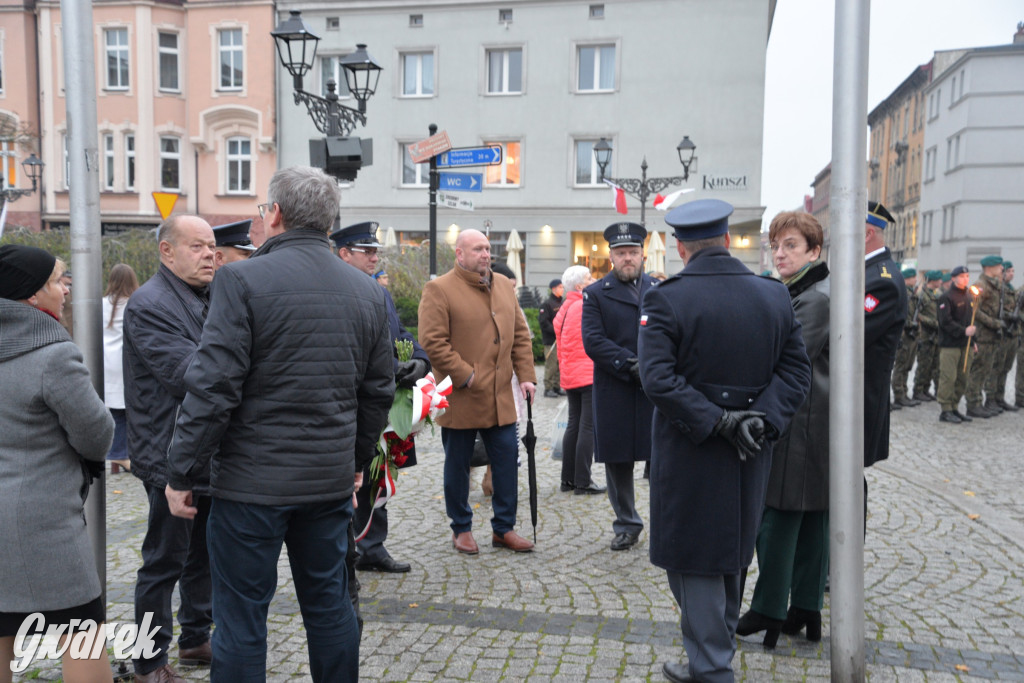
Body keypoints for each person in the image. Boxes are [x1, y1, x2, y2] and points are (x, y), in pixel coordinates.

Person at [165, 166, 394, 681]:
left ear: (276, 214)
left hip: (251, 488)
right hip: (325, 483)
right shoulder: (366, 291)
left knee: (242, 616)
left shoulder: (241, 279)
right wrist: (355, 461)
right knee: (330, 607)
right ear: (330, 221)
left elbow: (214, 385)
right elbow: (378, 391)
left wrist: (180, 472)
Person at [639, 199, 811, 683]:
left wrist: (719, 421)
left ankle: (713, 668)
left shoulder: (665, 297)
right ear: (729, 240)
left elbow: (657, 380)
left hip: (691, 448)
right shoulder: (773, 295)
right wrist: (760, 419)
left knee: (693, 560)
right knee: (733, 550)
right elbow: (796, 369)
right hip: (752, 449)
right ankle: (708, 657)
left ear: (680, 247)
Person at [0, 245, 115, 683]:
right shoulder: (53, 354)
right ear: (32, 295)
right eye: (57, 280)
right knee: (81, 629)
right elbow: (97, 435)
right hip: (41, 522)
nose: (65, 288)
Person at [123, 214, 217, 681]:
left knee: (204, 554)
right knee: (163, 562)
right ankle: (147, 662)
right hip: (168, 454)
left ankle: (196, 637)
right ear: (167, 251)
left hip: (207, 451)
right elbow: (189, 375)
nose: (210, 256)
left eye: (212, 247)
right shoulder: (150, 303)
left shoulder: (207, 295)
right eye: (198, 247)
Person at [737, 211, 830, 648]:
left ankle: (769, 608)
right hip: (808, 420)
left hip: (799, 422)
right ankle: (805, 607)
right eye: (776, 245)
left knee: (776, 516)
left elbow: (786, 358)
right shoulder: (804, 290)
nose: (780, 253)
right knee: (809, 516)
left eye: (791, 245)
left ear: (814, 250)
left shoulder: (813, 297)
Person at [418, 229, 537, 555]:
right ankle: (462, 528)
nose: (485, 254)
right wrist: (465, 375)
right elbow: (432, 342)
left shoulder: (502, 284)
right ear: (459, 254)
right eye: (477, 249)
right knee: (457, 464)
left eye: (487, 248)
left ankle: (504, 528)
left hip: (500, 397)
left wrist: (526, 376)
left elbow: (520, 335)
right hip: (462, 396)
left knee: (506, 461)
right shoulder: (439, 289)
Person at [330, 221, 430, 574]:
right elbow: (351, 347)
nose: (375, 257)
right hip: (354, 401)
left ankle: (372, 546)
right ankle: (347, 549)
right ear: (344, 254)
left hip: (383, 401)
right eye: (366, 251)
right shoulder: (334, 290)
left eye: (376, 251)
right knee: (352, 476)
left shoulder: (379, 290)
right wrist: (391, 365)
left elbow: (399, 331)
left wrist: (419, 359)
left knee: (378, 473)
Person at [581, 222, 657, 551]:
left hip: (657, 390)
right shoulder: (596, 293)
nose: (628, 258)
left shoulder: (659, 289)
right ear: (611, 256)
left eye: (633, 252)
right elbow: (593, 341)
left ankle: (667, 522)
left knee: (663, 458)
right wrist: (630, 365)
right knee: (618, 462)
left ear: (643, 254)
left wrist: (655, 367)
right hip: (616, 388)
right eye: (621, 252)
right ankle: (626, 523)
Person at [553, 265, 604, 495]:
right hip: (586, 372)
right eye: (589, 277)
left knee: (574, 425)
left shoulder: (565, 306)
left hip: (570, 373)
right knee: (587, 426)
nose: (594, 280)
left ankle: (568, 480)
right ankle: (583, 481)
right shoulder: (584, 305)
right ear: (580, 286)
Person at [863, 202, 906, 471]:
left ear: (867, 234)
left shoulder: (882, 280)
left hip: (862, 395)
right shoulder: (868, 271)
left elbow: (849, 338)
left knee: (850, 481)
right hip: (853, 392)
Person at [103, 263, 139, 474]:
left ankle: (120, 454)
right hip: (126, 362)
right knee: (128, 413)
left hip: (107, 361)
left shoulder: (101, 303)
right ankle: (120, 454)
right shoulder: (134, 302)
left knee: (117, 412)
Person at [965, 255, 1005, 418]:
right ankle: (972, 404)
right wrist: (993, 323)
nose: (1001, 269)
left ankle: (979, 401)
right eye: (999, 266)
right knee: (978, 370)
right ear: (989, 268)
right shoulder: (980, 286)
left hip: (992, 336)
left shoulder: (995, 286)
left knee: (986, 370)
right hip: (982, 335)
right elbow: (974, 310)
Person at [936, 266, 977, 423]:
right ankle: (946, 409)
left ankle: (954, 406)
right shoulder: (946, 297)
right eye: (961, 276)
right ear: (953, 278)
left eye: (967, 275)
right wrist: (963, 331)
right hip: (950, 344)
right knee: (949, 377)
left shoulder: (968, 296)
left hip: (965, 344)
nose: (965, 278)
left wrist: (973, 341)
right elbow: (945, 321)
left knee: (963, 377)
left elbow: (971, 320)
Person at [990, 260, 1019, 412]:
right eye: (1009, 271)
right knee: (997, 367)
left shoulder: (1012, 289)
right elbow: (996, 310)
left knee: (1006, 367)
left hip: (1013, 333)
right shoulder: (998, 288)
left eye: (1013, 271)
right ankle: (991, 398)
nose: (1012, 274)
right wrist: (1010, 315)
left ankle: (999, 398)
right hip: (1001, 332)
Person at [891, 268, 921, 408]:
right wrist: (910, 324)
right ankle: (898, 393)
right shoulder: (905, 294)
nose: (915, 280)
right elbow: (902, 315)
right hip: (904, 333)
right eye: (913, 277)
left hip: (912, 334)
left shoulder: (912, 294)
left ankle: (903, 392)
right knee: (901, 365)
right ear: (907, 279)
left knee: (907, 365)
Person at [912, 270, 943, 402]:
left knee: (933, 365)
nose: (941, 282)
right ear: (933, 281)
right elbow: (917, 315)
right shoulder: (921, 295)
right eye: (939, 279)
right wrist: (933, 323)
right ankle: (918, 390)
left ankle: (926, 389)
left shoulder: (938, 294)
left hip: (936, 335)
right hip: (925, 334)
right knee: (924, 364)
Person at [538, 278, 565, 398]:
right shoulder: (547, 304)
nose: (562, 289)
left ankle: (556, 386)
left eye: (562, 287)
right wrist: (556, 330)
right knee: (551, 365)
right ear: (553, 289)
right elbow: (544, 322)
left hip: (561, 339)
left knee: (559, 365)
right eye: (560, 287)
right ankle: (548, 388)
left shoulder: (562, 303)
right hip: (551, 340)